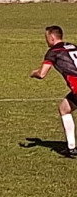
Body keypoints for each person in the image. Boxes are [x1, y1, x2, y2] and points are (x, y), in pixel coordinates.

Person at [30, 25, 77, 158]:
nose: (46, 40)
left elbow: (42, 74)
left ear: (51, 38)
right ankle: (71, 147)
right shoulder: (72, 46)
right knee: (64, 108)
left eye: (46, 38)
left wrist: (34, 73)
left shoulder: (53, 52)